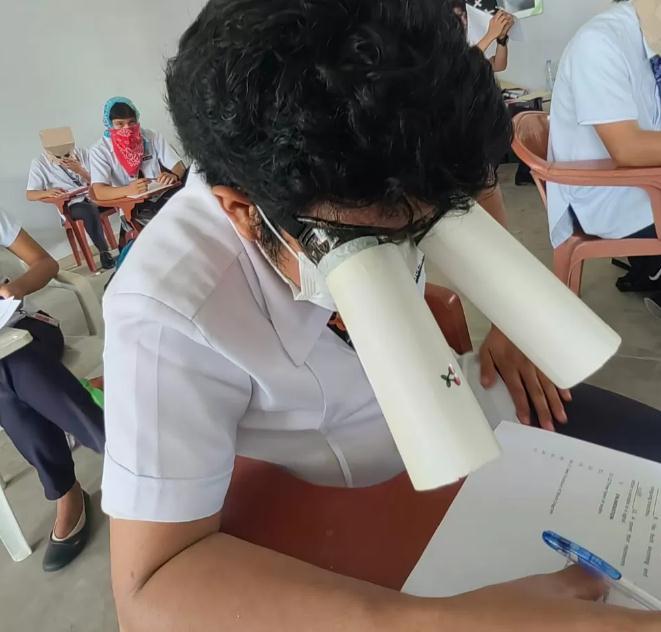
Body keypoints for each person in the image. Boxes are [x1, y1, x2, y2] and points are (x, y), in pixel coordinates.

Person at [101, 0, 661, 629]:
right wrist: (444, 622)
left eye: (426, 227)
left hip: (465, 408)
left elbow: (465, 182)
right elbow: (147, 590)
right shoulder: (165, 309)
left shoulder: (400, 150)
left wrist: (508, 318)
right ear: (241, 211)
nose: (413, 253)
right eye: (377, 243)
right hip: (353, 497)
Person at [0, 208, 104, 571]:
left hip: (27, 327)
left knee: (14, 366)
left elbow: (45, 263)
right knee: (5, 376)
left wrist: (14, 289)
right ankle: (114, 444)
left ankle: (66, 492)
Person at [549, 0, 661, 294]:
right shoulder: (600, 42)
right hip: (608, 198)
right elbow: (629, 149)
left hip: (640, 184)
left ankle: (650, 269)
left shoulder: (649, 39)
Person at [89, 97, 186, 227]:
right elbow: (99, 192)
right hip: (134, 208)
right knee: (170, 224)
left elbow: (178, 165)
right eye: (120, 124)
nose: (127, 128)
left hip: (163, 195)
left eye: (132, 122)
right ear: (109, 124)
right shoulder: (100, 150)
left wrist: (173, 175)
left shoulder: (152, 136)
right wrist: (129, 190)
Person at [26, 132, 115, 270]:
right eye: (58, 156)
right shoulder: (39, 163)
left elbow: (101, 180)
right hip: (72, 204)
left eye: (67, 154)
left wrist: (81, 171)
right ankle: (104, 252)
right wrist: (47, 192)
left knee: (117, 197)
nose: (63, 158)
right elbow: (30, 194)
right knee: (88, 209)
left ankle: (129, 240)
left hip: (93, 196)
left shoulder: (83, 153)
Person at [451, 1, 514, 72]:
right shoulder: (443, 47)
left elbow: (498, 66)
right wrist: (490, 35)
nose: (464, 21)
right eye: (458, 17)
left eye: (464, 15)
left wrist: (501, 39)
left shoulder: (469, 40)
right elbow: (461, 65)